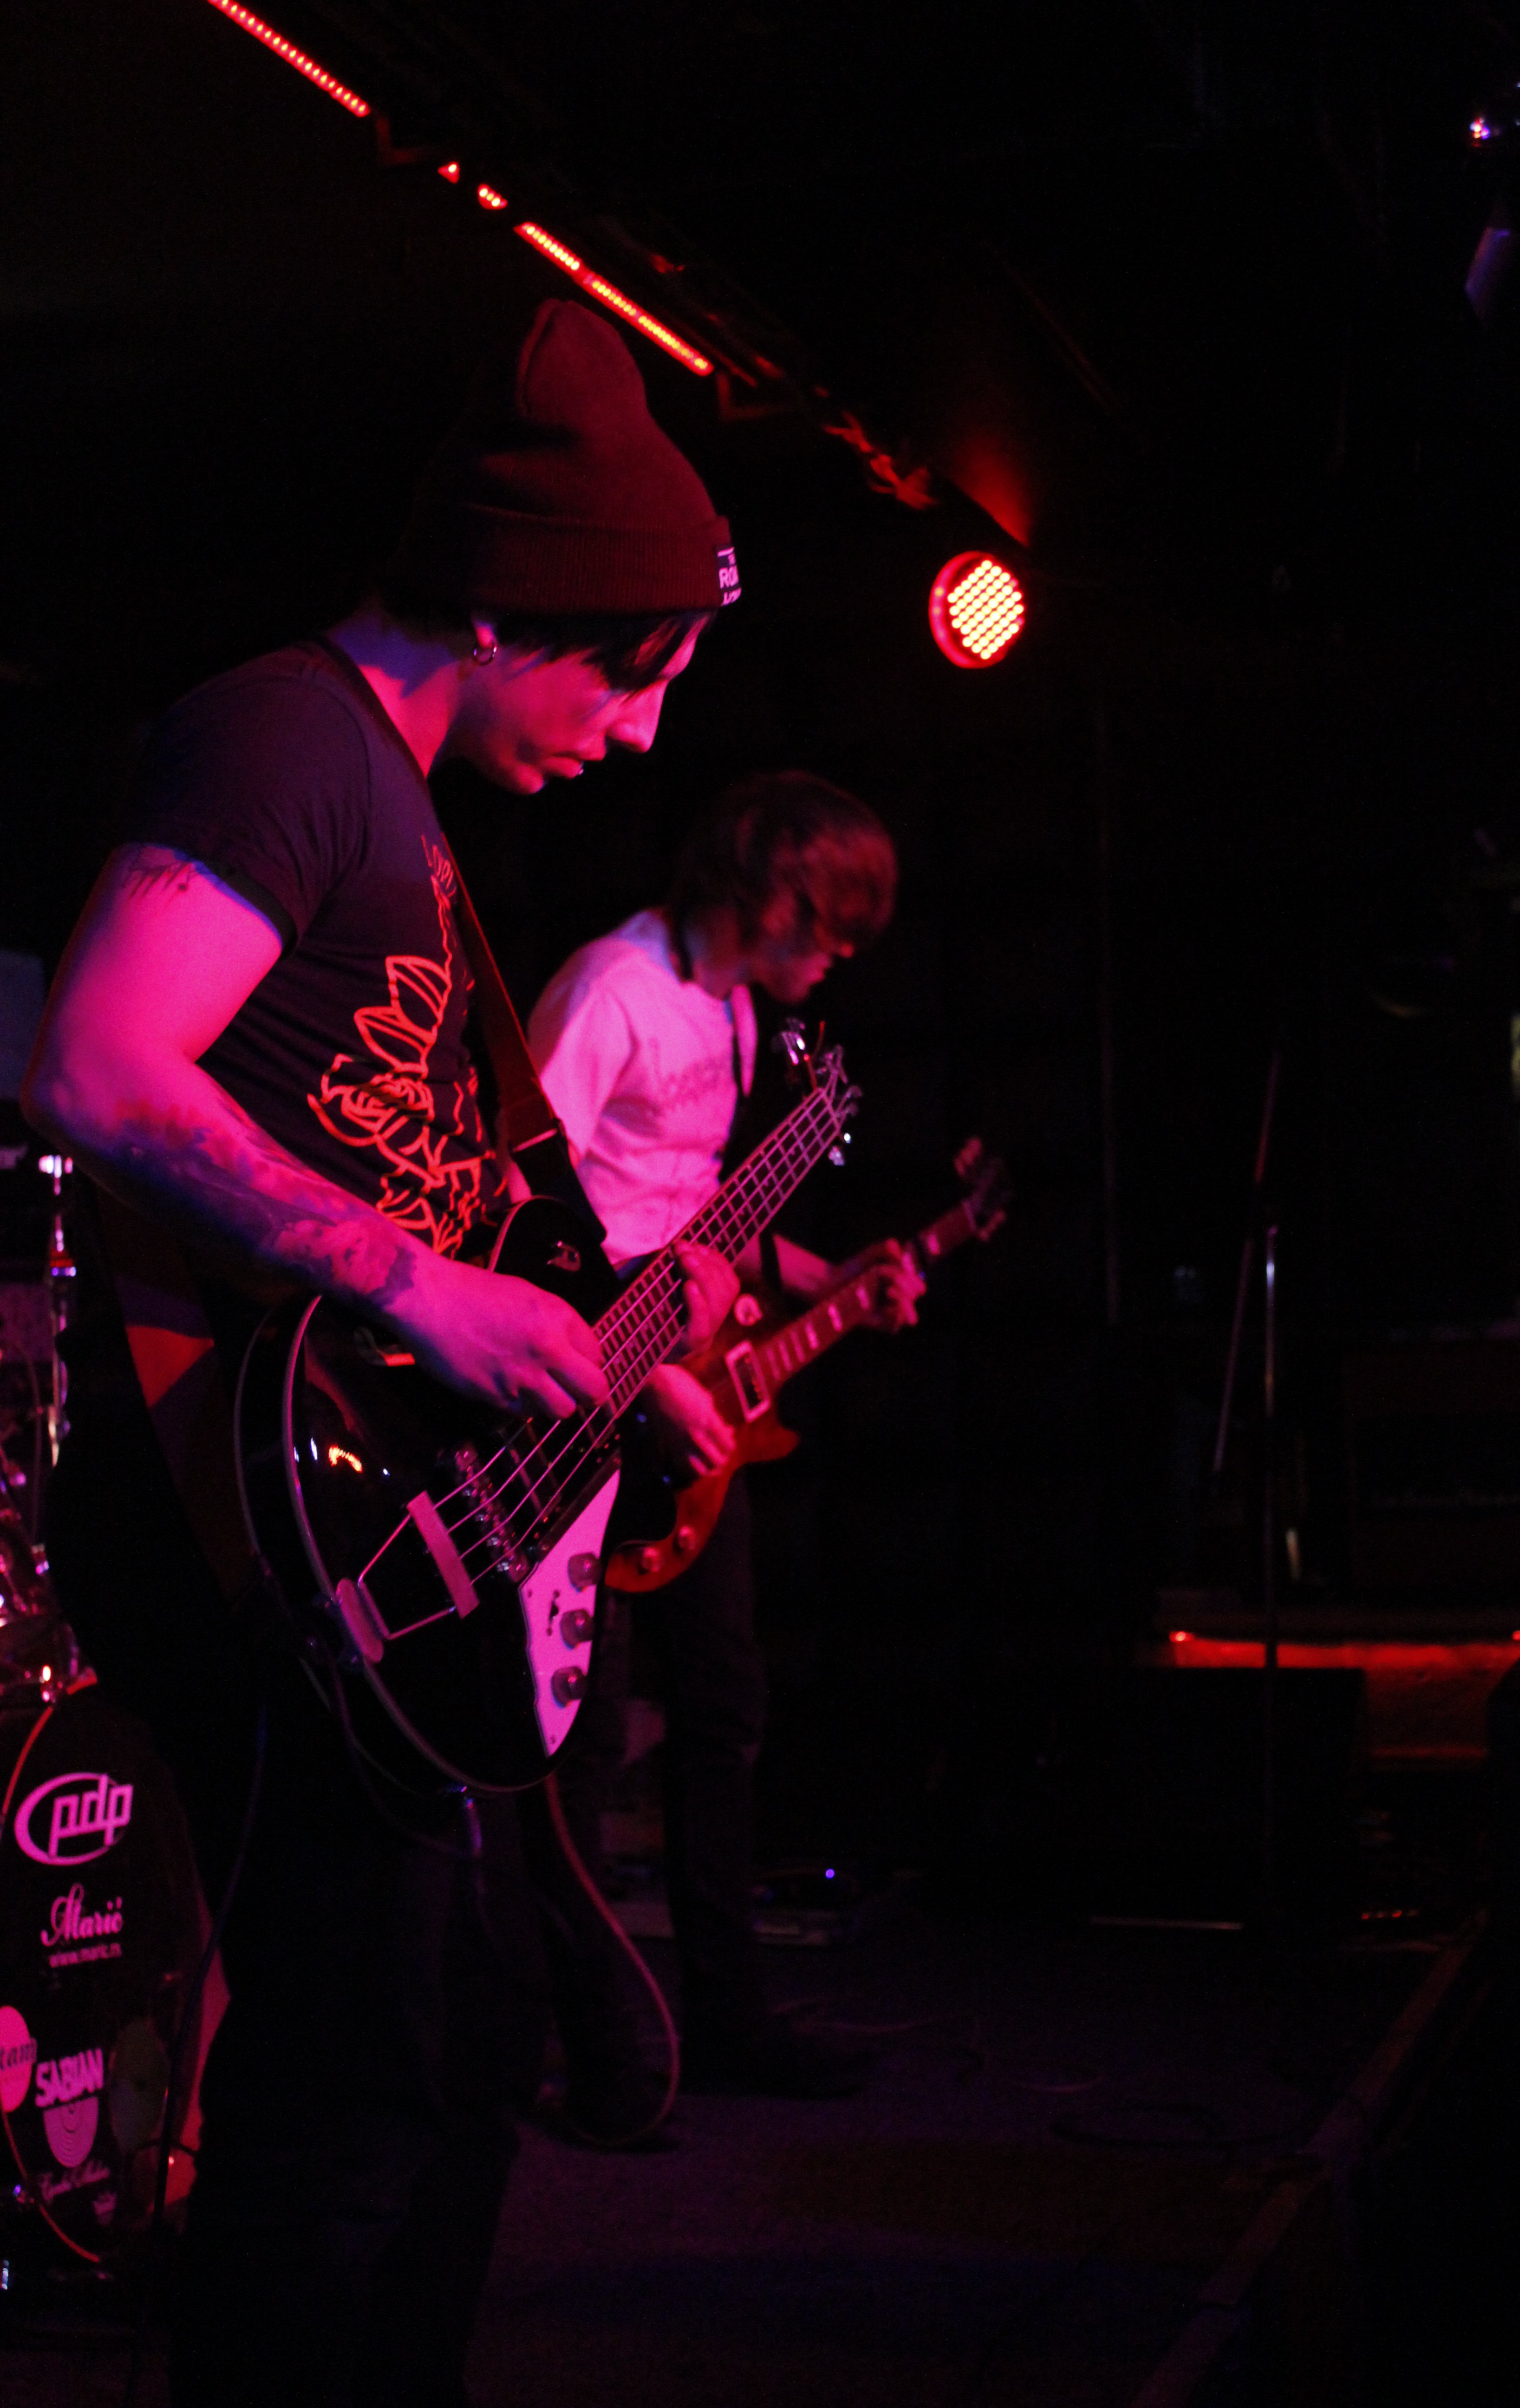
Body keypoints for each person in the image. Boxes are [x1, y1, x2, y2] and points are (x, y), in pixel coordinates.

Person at [22, 300, 741, 2408]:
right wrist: (416, 1292)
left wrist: (606, 1352)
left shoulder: (404, 819)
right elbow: (95, 1061)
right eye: (629, 672)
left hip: (378, 1526)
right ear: (508, 609)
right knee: (352, 2091)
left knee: (471, 2047)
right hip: (243, 1530)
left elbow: (451, 1194)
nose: (641, 734)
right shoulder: (283, 740)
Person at [522, 771, 924, 2133]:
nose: (843, 951)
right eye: (833, 919)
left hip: (697, 1401)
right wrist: (635, 1381)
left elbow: (704, 1217)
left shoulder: (744, 1016)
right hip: (585, 1403)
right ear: (771, 889)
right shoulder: (611, 990)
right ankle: (598, 2054)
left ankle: (730, 2016)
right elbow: (521, 1215)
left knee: (722, 1713)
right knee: (580, 1746)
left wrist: (832, 1277)